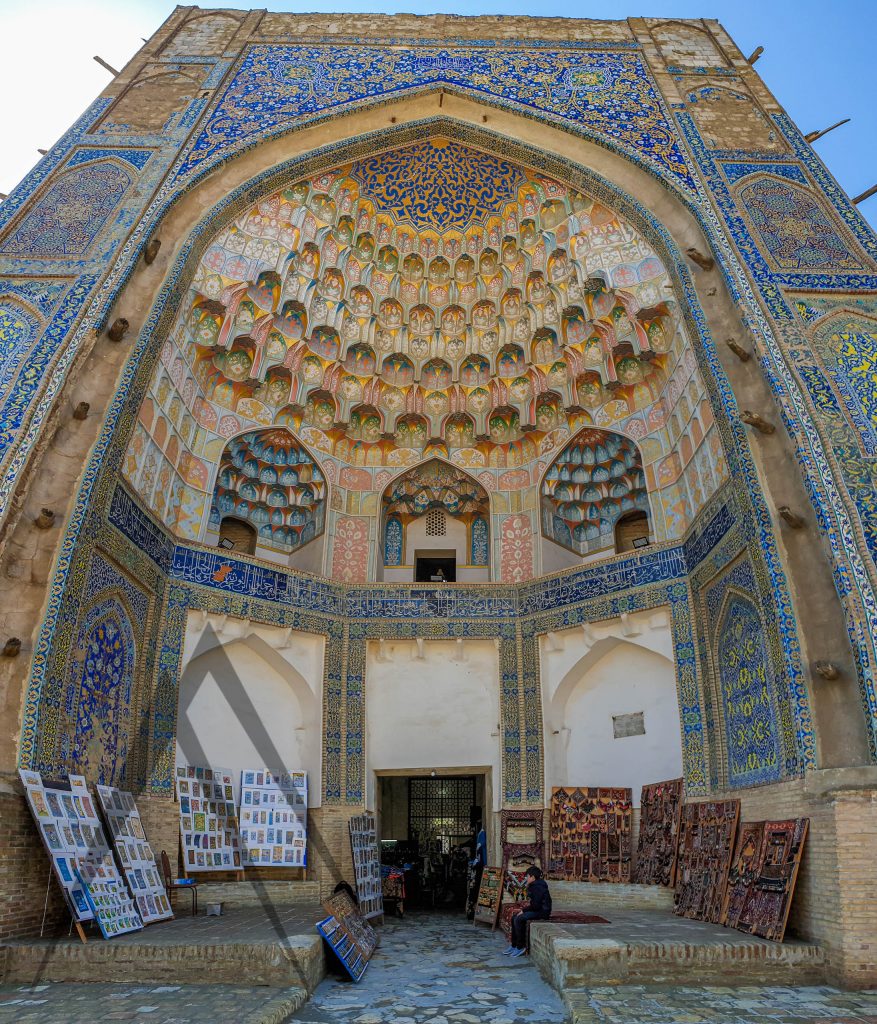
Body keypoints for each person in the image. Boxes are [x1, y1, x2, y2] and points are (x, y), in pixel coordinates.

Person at [503, 866, 551, 957]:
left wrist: (524, 910)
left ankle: (520, 947)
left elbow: (536, 906)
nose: (526, 878)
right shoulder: (536, 885)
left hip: (542, 912)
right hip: (538, 909)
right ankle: (514, 945)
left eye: (527, 876)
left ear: (533, 877)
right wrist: (524, 910)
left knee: (519, 919)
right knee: (514, 917)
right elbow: (535, 904)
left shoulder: (538, 887)